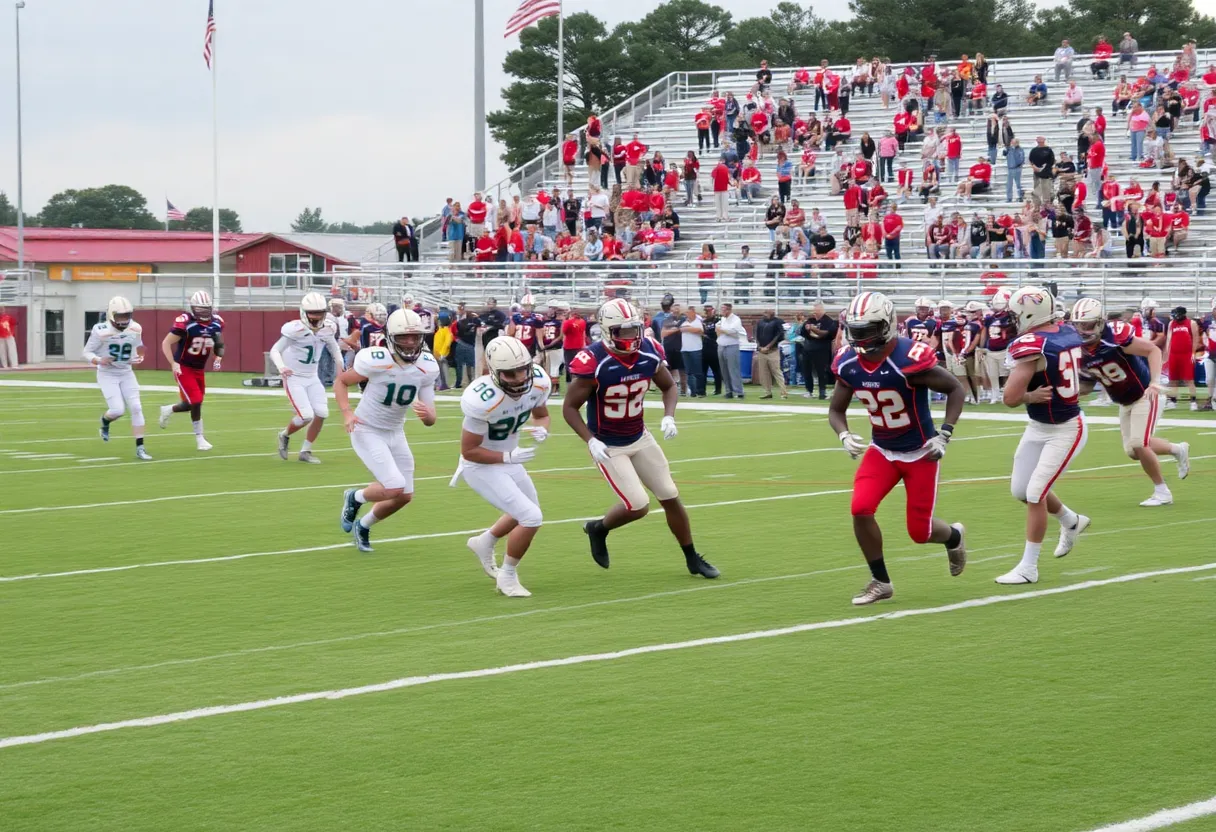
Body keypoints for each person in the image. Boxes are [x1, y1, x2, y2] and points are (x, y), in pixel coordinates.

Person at [563, 300, 719, 579]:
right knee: (637, 505)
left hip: (639, 435)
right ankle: (598, 529)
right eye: (623, 331)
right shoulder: (595, 361)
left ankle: (692, 557)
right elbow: (569, 408)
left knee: (670, 495)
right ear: (608, 331)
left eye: (634, 329)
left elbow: (669, 386)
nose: (631, 336)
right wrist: (590, 439)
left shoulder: (649, 350)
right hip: (608, 444)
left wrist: (669, 415)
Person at [829, 291, 967, 606]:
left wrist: (944, 434)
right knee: (860, 508)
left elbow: (955, 388)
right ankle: (881, 582)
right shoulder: (848, 361)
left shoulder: (909, 358)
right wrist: (844, 435)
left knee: (919, 533)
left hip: (921, 452)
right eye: (856, 329)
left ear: (888, 325)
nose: (861, 336)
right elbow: (836, 410)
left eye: (868, 329)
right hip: (882, 450)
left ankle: (954, 536)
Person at [995, 287, 1090, 585]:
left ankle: (1028, 567)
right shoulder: (1065, 332)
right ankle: (1070, 521)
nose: (1011, 319)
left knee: (1035, 492)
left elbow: (1009, 398)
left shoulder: (1032, 344)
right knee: (1021, 490)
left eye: (1014, 313)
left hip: (1066, 428)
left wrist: (1028, 395)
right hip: (1040, 426)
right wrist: (1033, 394)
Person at [455, 336, 552, 597]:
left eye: (523, 370)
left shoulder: (538, 382)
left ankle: (484, 542)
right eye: (511, 374)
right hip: (481, 465)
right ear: (495, 373)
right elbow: (469, 451)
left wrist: (542, 430)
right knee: (531, 517)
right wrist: (507, 458)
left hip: (510, 458)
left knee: (528, 511)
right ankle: (507, 577)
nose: (520, 378)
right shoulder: (483, 399)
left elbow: (542, 415)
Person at [336, 309, 439, 552]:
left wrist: (428, 416)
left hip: (395, 431)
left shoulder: (427, 365)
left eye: (415, 336)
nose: (411, 342)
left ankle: (364, 525)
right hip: (367, 429)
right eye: (404, 337)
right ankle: (355, 497)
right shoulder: (375, 359)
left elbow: (431, 417)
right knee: (393, 486)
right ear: (391, 336)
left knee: (404, 495)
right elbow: (341, 381)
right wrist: (347, 413)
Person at [1071, 299, 1189, 507]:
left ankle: (1162, 492)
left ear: (1099, 322)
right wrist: (1066, 395)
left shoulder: (1115, 336)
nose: (1083, 330)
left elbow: (1153, 350)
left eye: (1088, 324)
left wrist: (1154, 382)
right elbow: (1088, 385)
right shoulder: (1079, 350)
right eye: (1079, 325)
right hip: (1124, 401)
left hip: (1145, 393)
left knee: (1139, 443)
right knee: (1133, 451)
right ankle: (1177, 449)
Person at [271, 293, 344, 464]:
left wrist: (341, 368)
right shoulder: (294, 329)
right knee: (306, 416)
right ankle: (284, 435)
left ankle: (306, 450)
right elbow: (275, 350)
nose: (316, 317)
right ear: (304, 312)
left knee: (322, 413)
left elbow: (334, 349)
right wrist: (282, 367)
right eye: (312, 313)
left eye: (319, 312)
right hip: (294, 377)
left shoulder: (328, 328)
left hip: (312, 377)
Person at [83, 296, 151, 460]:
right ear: (112, 315)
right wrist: (100, 360)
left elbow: (138, 347)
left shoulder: (135, 328)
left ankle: (140, 447)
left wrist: (139, 356)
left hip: (126, 372)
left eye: (126, 315)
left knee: (136, 407)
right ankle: (105, 422)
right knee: (118, 410)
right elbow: (87, 352)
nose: (124, 320)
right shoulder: (100, 330)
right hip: (107, 373)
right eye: (120, 316)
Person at [159, 290, 223, 451]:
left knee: (191, 403)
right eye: (200, 309)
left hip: (199, 369)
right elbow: (166, 343)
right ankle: (200, 438)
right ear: (193, 308)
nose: (203, 312)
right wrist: (173, 364)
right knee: (196, 401)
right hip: (184, 367)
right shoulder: (186, 323)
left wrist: (218, 357)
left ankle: (168, 409)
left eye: (206, 308)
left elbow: (218, 343)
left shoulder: (216, 323)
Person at [980, 287, 1015, 404]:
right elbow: (985, 332)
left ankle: (1006, 393)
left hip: (1004, 348)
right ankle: (994, 395)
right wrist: (982, 347)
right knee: (993, 374)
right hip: (991, 350)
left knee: (1005, 373)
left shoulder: (1010, 317)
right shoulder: (990, 318)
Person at [1162, 306, 1201, 410]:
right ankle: (1173, 401)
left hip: (1187, 354)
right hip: (1174, 354)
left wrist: (1193, 353)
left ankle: (1193, 401)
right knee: (1173, 379)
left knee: (1189, 379)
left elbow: (1195, 338)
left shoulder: (1191, 323)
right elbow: (1169, 339)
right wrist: (1167, 354)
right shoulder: (1171, 324)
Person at [799, 302, 837, 399]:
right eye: (814, 310)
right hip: (808, 348)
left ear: (821, 310)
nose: (814, 313)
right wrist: (808, 329)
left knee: (821, 372)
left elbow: (826, 334)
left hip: (822, 350)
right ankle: (809, 391)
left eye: (816, 310)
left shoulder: (828, 321)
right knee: (807, 370)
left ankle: (822, 392)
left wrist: (813, 329)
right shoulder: (810, 320)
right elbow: (803, 332)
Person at [753, 308, 787, 399]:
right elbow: (756, 334)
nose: (764, 314)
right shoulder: (760, 322)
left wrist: (769, 346)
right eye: (764, 312)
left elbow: (779, 335)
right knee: (764, 373)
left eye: (766, 312)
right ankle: (767, 391)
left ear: (772, 313)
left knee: (776, 371)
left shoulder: (778, 322)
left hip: (773, 350)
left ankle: (783, 391)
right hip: (761, 351)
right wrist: (759, 346)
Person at [716, 302, 746, 399]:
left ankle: (739, 391)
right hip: (721, 344)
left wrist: (722, 330)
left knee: (733, 369)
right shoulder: (723, 319)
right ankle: (729, 391)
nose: (722, 312)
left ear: (729, 310)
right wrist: (721, 330)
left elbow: (733, 331)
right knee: (724, 370)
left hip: (732, 345)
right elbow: (718, 329)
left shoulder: (736, 319)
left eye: (724, 310)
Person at [679, 306, 705, 397]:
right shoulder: (684, 322)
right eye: (686, 312)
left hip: (696, 348)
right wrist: (690, 329)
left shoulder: (698, 321)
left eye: (688, 312)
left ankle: (700, 391)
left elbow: (700, 331)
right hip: (685, 349)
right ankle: (693, 391)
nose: (687, 314)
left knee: (698, 371)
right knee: (688, 372)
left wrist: (688, 329)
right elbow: (681, 329)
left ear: (693, 312)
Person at [560, 306, 588, 383]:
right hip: (579, 346)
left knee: (569, 364)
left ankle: (570, 380)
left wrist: (564, 321)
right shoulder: (582, 321)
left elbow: (564, 332)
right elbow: (583, 333)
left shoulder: (568, 322)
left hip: (569, 346)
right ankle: (578, 379)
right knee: (578, 364)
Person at [701, 304, 721, 396]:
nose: (707, 312)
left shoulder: (718, 321)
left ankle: (718, 389)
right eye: (706, 311)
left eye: (709, 310)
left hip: (714, 348)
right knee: (703, 371)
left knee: (716, 370)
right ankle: (702, 390)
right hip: (704, 348)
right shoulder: (702, 322)